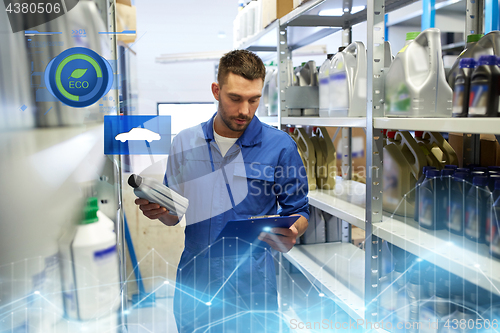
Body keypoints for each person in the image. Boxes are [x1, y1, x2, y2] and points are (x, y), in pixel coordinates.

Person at [135, 50, 309, 332]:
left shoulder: (281, 147)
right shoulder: (185, 143)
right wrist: (160, 212)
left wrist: (293, 232)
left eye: (254, 99)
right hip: (197, 282)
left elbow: (299, 211)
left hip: (251, 286)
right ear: (217, 91)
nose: (245, 111)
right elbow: (174, 215)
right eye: (235, 98)